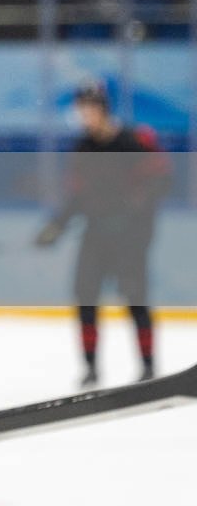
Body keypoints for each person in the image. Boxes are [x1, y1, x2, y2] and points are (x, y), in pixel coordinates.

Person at [37, 80, 171, 386]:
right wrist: (56, 225)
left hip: (130, 237)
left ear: (102, 109)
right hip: (95, 235)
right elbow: (78, 195)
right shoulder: (84, 147)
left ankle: (148, 368)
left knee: (135, 298)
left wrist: (134, 213)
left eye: (89, 108)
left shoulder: (133, 141)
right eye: (80, 109)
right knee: (85, 298)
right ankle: (91, 369)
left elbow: (161, 180)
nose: (84, 115)